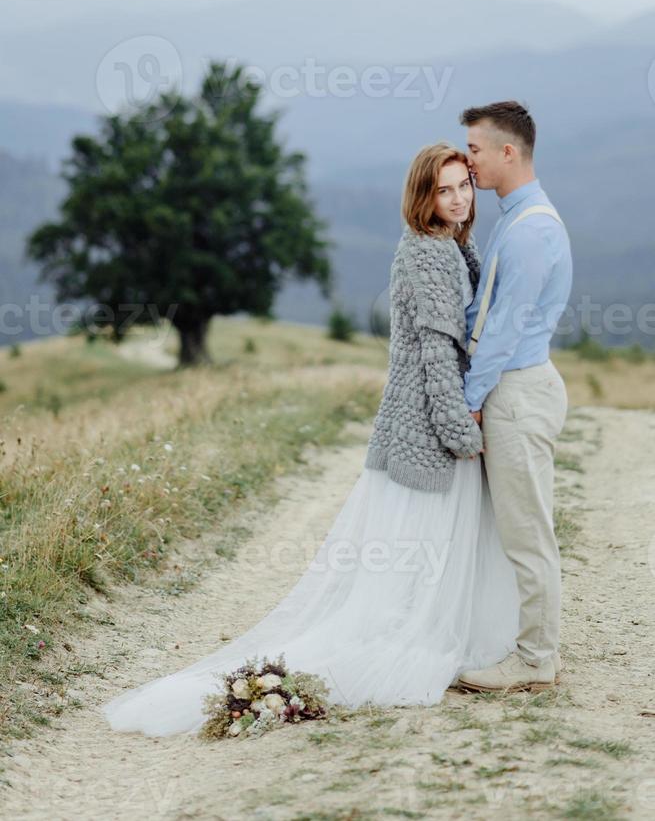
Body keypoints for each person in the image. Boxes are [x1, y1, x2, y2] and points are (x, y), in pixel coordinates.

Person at [101, 142, 520, 739]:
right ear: (421, 197)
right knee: (418, 549)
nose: (456, 199)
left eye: (463, 186)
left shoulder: (455, 245)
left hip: (437, 424)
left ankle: (442, 630)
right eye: (442, 190)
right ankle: (404, 640)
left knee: (433, 550)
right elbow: (433, 355)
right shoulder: (428, 255)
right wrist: (462, 431)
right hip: (427, 430)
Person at [455, 100, 573, 694]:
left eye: (474, 149)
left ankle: (536, 658)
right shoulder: (518, 217)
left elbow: (501, 328)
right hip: (518, 387)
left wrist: (471, 400)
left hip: (517, 392)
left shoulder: (532, 230)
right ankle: (529, 644)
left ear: (508, 151)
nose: (468, 160)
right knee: (520, 526)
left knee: (528, 531)